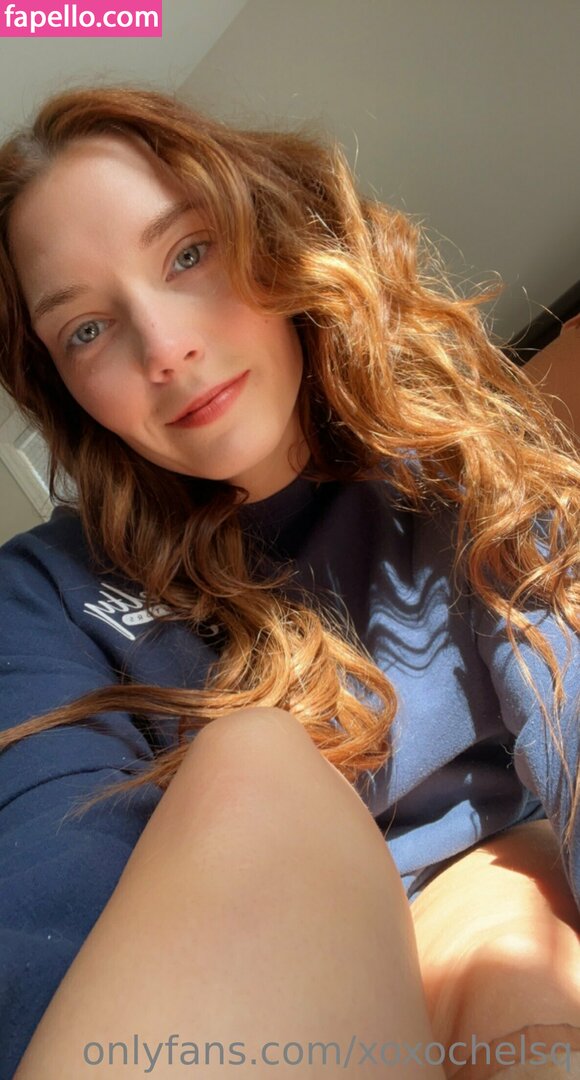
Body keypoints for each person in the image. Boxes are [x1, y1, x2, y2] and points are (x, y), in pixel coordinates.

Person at [0, 84, 578, 1080]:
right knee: (256, 758)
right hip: (251, 999)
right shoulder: (41, 594)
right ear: (63, 388)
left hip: (496, 899)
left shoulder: (448, 452)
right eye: (86, 330)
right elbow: (47, 912)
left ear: (266, 233)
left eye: (188, 253)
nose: (165, 348)